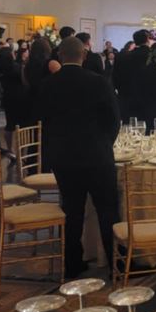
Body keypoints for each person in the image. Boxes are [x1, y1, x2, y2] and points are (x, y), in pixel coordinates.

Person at [36, 36, 120, 278]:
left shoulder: (48, 84)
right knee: (107, 210)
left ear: (60, 56)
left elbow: (42, 119)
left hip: (64, 157)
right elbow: (114, 120)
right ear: (84, 55)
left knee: (72, 210)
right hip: (97, 155)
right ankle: (115, 262)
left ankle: (72, 263)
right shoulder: (99, 82)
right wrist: (105, 143)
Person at [0, 46, 24, 156]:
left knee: (10, 124)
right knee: (20, 126)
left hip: (7, 97)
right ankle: (20, 151)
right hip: (19, 97)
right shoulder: (17, 67)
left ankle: (9, 149)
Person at [22, 37, 56, 126]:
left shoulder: (27, 64)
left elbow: (25, 81)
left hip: (31, 97)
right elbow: (62, 79)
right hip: (48, 98)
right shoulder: (51, 63)